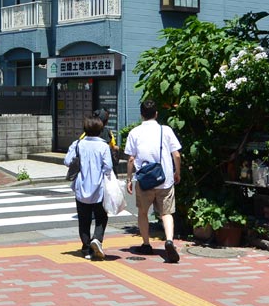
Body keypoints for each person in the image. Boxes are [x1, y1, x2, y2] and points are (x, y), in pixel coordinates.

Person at [124, 99, 183, 263]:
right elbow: (176, 155)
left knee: (143, 212)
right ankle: (169, 240)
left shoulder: (135, 132)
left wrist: (129, 179)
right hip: (165, 179)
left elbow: (130, 159)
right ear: (156, 114)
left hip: (144, 181)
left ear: (141, 114)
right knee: (166, 212)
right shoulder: (166, 131)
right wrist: (177, 173)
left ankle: (146, 244)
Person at [64, 114, 114, 260]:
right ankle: (97, 239)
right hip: (98, 187)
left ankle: (86, 248)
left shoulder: (78, 144)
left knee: (83, 219)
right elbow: (108, 167)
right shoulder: (103, 146)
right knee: (101, 216)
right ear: (100, 129)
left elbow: (67, 161)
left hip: (81, 187)